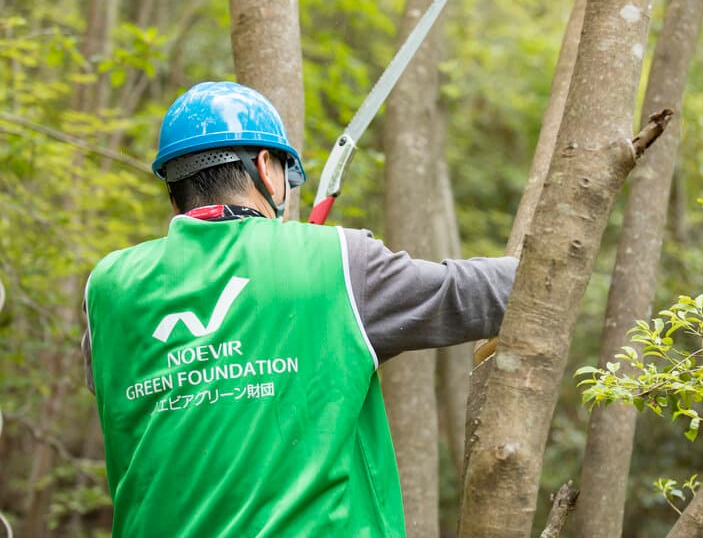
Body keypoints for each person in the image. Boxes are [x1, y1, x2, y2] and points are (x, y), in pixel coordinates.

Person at [83, 81, 517, 537]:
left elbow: (115, 384)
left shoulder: (108, 288)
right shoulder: (337, 261)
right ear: (267, 170)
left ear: (174, 191)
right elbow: (482, 294)